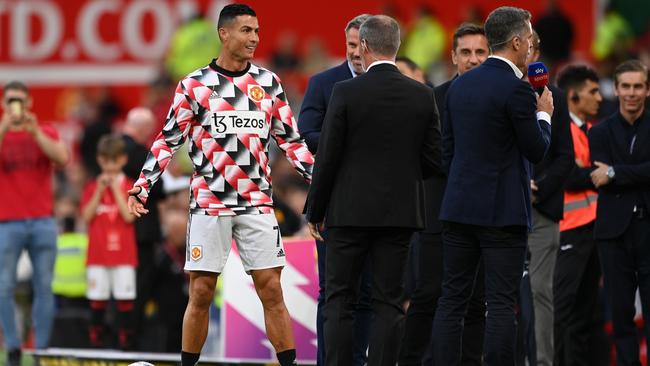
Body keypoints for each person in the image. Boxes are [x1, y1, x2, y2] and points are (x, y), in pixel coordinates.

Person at [127, 4, 314, 366]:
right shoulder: (195, 85)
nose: (254, 39)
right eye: (246, 31)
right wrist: (142, 185)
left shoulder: (268, 83)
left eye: (257, 31)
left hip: (257, 203)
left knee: (272, 289)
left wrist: (320, 184)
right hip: (210, 204)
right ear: (223, 34)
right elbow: (168, 141)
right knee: (200, 291)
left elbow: (291, 141)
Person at [305, 15, 442, 366]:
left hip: (347, 213)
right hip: (399, 214)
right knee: (389, 302)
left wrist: (315, 210)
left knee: (339, 299)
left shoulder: (346, 92)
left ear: (364, 46)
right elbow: (433, 160)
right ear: (397, 47)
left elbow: (328, 157)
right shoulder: (423, 95)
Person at [432, 7, 553, 365]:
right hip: (502, 214)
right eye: (530, 37)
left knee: (451, 299)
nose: (532, 45)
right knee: (500, 302)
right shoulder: (518, 91)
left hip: (458, 208)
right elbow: (538, 149)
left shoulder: (459, 86)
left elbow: (447, 153)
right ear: (517, 41)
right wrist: (544, 113)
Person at [399, 23, 488, 366]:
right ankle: (408, 360)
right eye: (466, 52)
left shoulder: (501, 97)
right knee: (429, 293)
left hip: (482, 214)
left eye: (480, 52)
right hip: (438, 209)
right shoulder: (432, 98)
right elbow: (422, 154)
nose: (473, 59)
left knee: (477, 298)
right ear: (453, 56)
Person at [297, 13, 372, 366]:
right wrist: (345, 142)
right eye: (351, 45)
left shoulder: (388, 83)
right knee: (334, 295)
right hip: (332, 204)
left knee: (370, 293)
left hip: (379, 205)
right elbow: (305, 133)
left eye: (362, 45)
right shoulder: (323, 83)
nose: (356, 52)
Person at [0, 81, 68, 366]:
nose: (15, 105)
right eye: (10, 100)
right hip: (8, 221)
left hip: (42, 220)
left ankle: (41, 349)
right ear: (4, 104)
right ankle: (13, 346)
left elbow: (62, 158)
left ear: (28, 103)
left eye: (19, 100)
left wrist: (34, 131)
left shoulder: (46, 130)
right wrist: (5, 127)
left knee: (44, 286)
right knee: (4, 286)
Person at [588, 59, 650, 366]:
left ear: (647, 90)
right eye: (626, 86)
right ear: (617, 88)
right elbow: (599, 177)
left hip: (648, 229)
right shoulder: (599, 132)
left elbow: (609, 175)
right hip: (613, 234)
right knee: (621, 314)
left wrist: (615, 172)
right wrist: (627, 174)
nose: (631, 93)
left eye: (638, 86)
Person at [521, 29, 574, 366]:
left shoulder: (555, 95)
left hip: (542, 210)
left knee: (542, 293)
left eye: (531, 47)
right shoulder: (501, 94)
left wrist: (538, 186)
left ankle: (542, 362)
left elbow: (565, 156)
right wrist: (520, 183)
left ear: (537, 52)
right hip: (505, 207)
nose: (527, 52)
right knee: (500, 294)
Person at [554, 64, 603, 366]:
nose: (599, 98)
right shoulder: (563, 130)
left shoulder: (589, 131)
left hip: (593, 230)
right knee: (565, 310)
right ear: (573, 96)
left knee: (586, 313)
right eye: (593, 92)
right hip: (570, 230)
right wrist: (601, 174)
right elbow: (569, 176)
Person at [81, 134, 138, 350]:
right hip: (98, 254)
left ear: (123, 160)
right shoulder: (91, 186)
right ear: (99, 160)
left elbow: (128, 216)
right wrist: (98, 190)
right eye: (105, 161)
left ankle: (126, 342)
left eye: (114, 161)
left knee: (125, 298)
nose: (110, 166)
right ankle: (96, 341)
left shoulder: (131, 186)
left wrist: (115, 189)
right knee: (97, 299)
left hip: (124, 254)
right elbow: (86, 217)